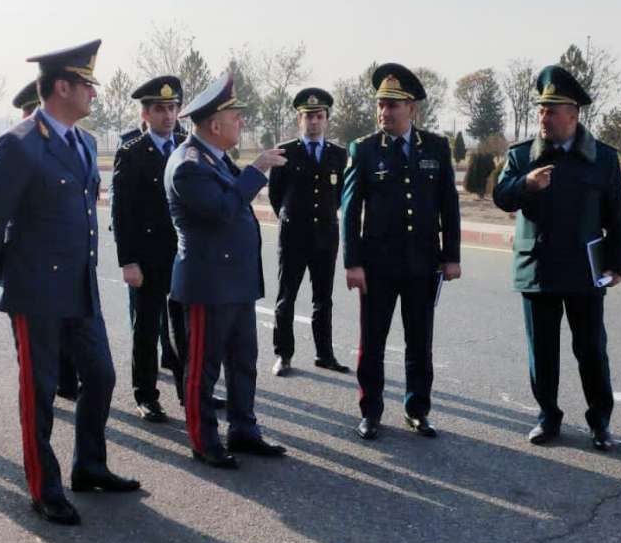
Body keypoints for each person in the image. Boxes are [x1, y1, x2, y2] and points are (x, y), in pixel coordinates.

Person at [0, 40, 139, 526]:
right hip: (36, 293)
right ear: (61, 86)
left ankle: (89, 465)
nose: (93, 93)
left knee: (102, 376)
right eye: (86, 84)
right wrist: (14, 279)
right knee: (39, 391)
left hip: (79, 287)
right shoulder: (20, 144)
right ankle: (43, 488)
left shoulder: (85, 143)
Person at [493, 65, 621, 451]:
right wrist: (527, 184)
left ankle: (600, 420)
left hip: (584, 272)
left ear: (574, 115)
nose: (543, 117)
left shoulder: (602, 159)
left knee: (590, 349)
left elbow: (616, 215)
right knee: (543, 351)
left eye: (551, 111)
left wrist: (619, 263)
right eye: (540, 110)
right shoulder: (522, 156)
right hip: (537, 269)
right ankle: (547, 416)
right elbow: (501, 196)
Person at [165, 72, 289, 469]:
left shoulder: (215, 158)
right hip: (208, 285)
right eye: (236, 117)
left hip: (235, 283)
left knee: (243, 360)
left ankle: (244, 429)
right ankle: (204, 440)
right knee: (203, 367)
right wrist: (256, 171)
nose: (241, 122)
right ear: (214, 124)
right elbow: (221, 211)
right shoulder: (188, 164)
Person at [341, 63, 461, 441]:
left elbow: (449, 206)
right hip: (377, 266)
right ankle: (370, 412)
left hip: (421, 264)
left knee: (419, 342)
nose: (384, 112)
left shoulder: (437, 149)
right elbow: (350, 210)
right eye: (380, 104)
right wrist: (353, 263)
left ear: (412, 108)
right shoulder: (363, 150)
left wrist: (451, 256)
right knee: (372, 342)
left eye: (393, 105)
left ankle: (417, 409)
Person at [111, 75, 187, 422]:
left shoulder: (187, 146)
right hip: (148, 257)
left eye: (172, 108)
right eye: (159, 109)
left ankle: (192, 392)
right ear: (145, 114)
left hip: (184, 256)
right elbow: (121, 213)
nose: (168, 116)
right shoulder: (132, 154)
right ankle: (146, 395)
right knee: (146, 329)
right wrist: (128, 261)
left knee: (186, 328)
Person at [268, 87, 350, 376]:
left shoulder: (339, 154)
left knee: (323, 298)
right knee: (286, 297)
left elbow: (341, 194)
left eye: (318, 116)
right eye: (307, 116)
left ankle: (324, 354)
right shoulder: (285, 152)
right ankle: (284, 355)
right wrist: (291, 218)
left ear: (326, 118)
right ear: (299, 119)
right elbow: (275, 195)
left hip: (326, 237)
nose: (313, 122)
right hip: (293, 237)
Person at [11, 79, 80, 401]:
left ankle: (66, 380)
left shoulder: (80, 144)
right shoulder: (18, 147)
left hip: (69, 267)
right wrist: (11, 269)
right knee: (35, 360)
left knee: (69, 333)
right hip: (32, 270)